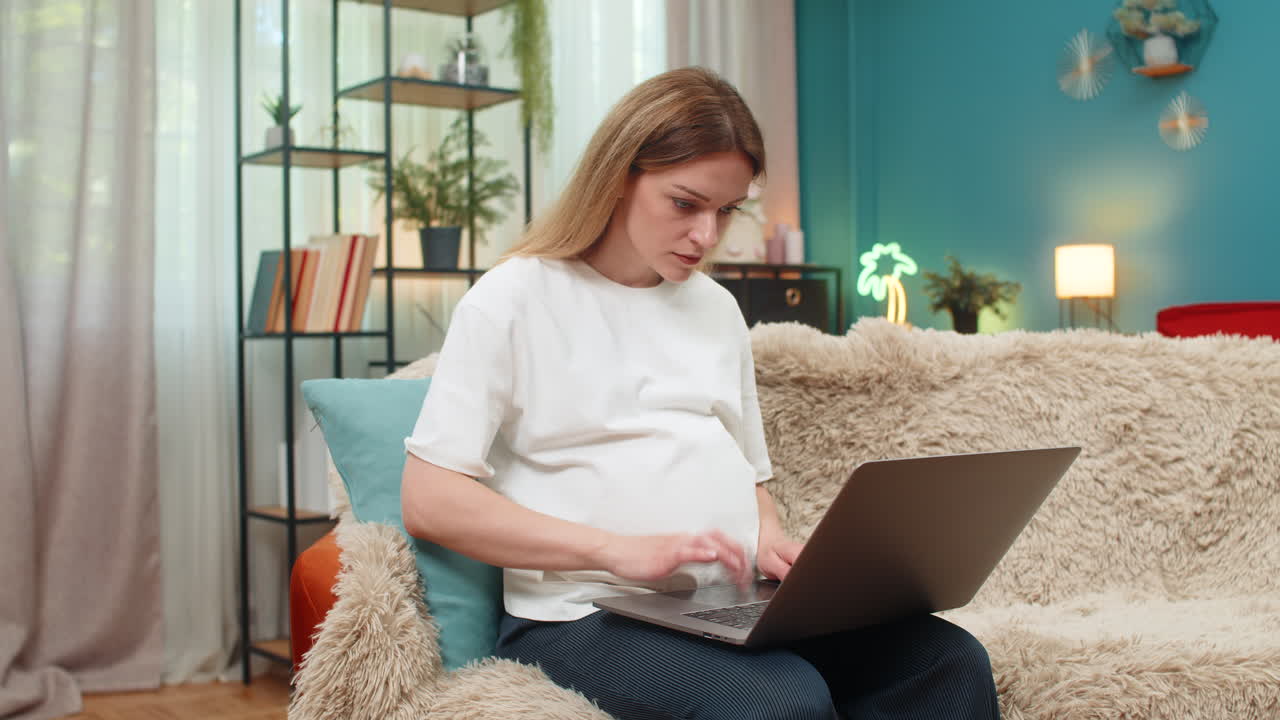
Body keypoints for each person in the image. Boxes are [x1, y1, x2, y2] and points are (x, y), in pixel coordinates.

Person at [401, 67, 1000, 720]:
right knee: (785, 704)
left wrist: (769, 541)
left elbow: (752, 479)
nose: (707, 237)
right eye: (686, 204)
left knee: (951, 663)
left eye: (726, 211)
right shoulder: (513, 298)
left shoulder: (715, 309)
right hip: (581, 615)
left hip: (725, 602)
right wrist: (618, 550)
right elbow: (431, 500)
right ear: (618, 177)